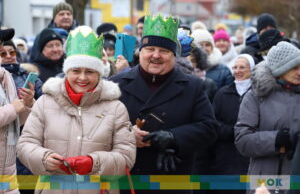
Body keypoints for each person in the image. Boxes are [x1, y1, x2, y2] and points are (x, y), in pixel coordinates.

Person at [16, 26, 136, 193]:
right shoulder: (45, 102)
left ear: (99, 73)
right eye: (76, 71)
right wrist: (44, 159)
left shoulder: (116, 108)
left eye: (89, 71)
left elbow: (126, 156)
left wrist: (94, 163)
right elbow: (25, 145)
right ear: (67, 71)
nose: (82, 78)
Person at [111, 14, 217, 194]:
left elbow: (209, 128)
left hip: (172, 181)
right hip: (127, 181)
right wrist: (127, 135)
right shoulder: (116, 84)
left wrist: (174, 137)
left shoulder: (192, 86)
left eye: (164, 50)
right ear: (140, 52)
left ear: (174, 55)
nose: (156, 56)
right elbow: (97, 126)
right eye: (150, 49)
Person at [235, 41, 300, 194]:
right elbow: (242, 140)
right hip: (264, 181)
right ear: (280, 69)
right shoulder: (255, 96)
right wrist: (275, 140)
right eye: (294, 68)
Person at [212, 54, 255, 194]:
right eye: (235, 67)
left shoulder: (258, 94)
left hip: (250, 157)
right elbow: (213, 122)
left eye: (242, 67)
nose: (238, 71)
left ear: (252, 70)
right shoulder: (222, 94)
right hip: (225, 156)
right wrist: (232, 132)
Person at [0, 28, 35, 194]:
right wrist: (13, 108)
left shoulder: (5, 75)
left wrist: (26, 105)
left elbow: (16, 122)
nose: (2, 48)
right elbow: (11, 112)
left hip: (9, 171)